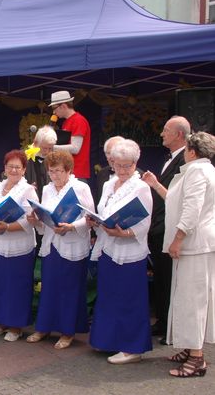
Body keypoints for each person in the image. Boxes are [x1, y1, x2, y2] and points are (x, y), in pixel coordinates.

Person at [142, 131, 215, 378]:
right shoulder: (204, 170)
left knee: (192, 300)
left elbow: (192, 209)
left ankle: (196, 358)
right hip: (197, 245)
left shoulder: (196, 172)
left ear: (192, 151)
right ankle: (190, 348)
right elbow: (176, 201)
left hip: (194, 246)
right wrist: (156, 185)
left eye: (186, 150)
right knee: (186, 297)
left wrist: (178, 239)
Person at [88, 139, 153, 364]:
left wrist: (123, 233)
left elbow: (144, 222)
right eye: (119, 165)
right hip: (108, 247)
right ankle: (109, 341)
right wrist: (95, 221)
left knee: (130, 298)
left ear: (135, 164)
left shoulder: (141, 187)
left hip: (129, 252)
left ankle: (132, 348)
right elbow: (103, 211)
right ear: (112, 163)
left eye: (128, 165)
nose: (123, 170)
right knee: (109, 296)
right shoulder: (109, 184)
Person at [26, 151, 94, 349]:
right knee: (49, 287)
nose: (54, 175)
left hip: (72, 245)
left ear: (68, 170)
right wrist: (36, 220)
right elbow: (46, 218)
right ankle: (44, 327)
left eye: (58, 171)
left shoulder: (81, 187)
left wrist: (72, 226)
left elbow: (89, 218)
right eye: (51, 171)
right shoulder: (47, 189)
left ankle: (67, 331)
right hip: (51, 245)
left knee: (69, 289)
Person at [142, 116, 190, 342]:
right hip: (159, 225)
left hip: (170, 226)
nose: (161, 134)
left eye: (165, 130)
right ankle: (162, 321)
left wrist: (154, 184)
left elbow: (177, 198)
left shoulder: (186, 160)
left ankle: (171, 326)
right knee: (161, 277)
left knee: (170, 278)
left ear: (178, 134)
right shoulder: (169, 157)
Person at [0, 150, 38, 342]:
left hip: (20, 245)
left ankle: (16, 326)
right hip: (0, 243)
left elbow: (30, 220)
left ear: (24, 170)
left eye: (18, 167)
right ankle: (1, 321)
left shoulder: (28, 190)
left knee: (18, 286)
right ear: (4, 168)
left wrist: (7, 226)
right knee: (1, 283)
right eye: (10, 166)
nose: (13, 170)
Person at [49, 91, 91, 181]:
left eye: (54, 108)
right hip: (67, 172)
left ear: (63, 106)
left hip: (77, 173)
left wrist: (51, 147)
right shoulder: (66, 122)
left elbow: (75, 148)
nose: (54, 112)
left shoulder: (78, 120)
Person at [25, 126, 57, 201]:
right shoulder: (26, 158)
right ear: (36, 143)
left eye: (50, 148)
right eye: (44, 148)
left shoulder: (55, 159)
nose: (47, 152)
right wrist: (26, 187)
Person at [95, 136, 124, 205]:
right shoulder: (102, 174)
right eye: (108, 153)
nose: (111, 157)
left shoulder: (137, 175)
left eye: (115, 152)